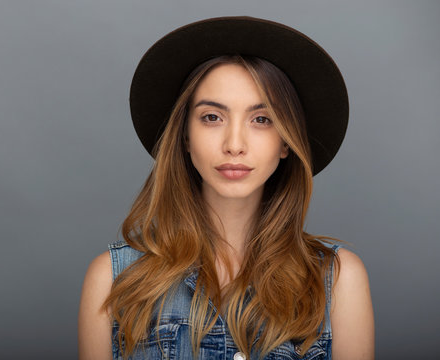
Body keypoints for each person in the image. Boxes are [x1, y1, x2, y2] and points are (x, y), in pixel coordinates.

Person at [78, 16, 374, 360]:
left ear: (286, 142)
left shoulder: (337, 281)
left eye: (262, 119)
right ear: (186, 136)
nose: (234, 144)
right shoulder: (114, 280)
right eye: (212, 117)